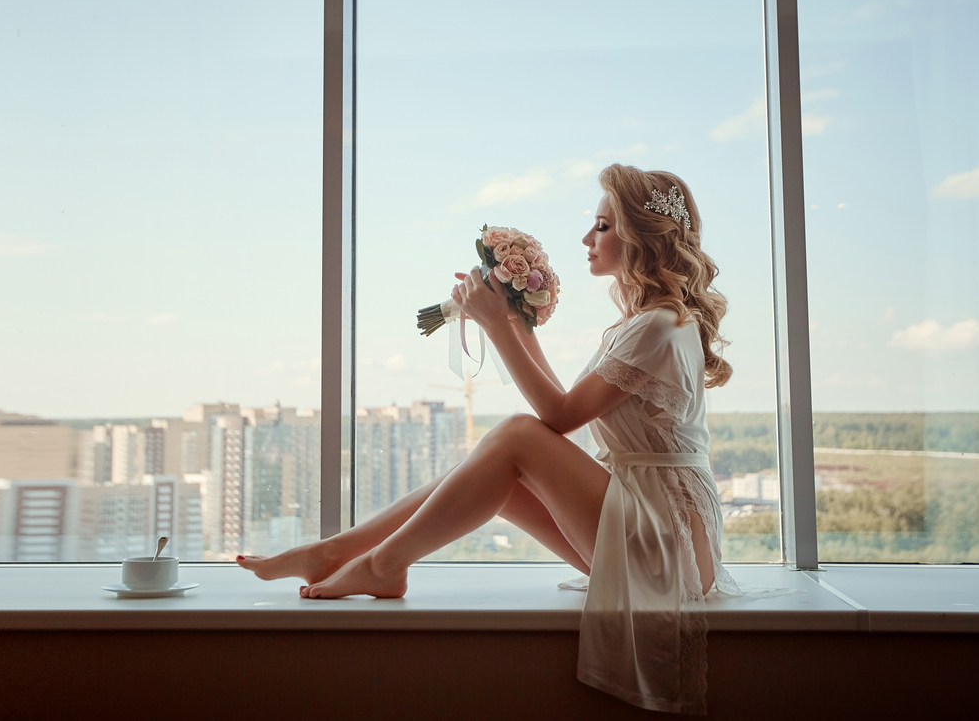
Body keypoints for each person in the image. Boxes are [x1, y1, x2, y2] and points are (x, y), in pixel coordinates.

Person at [237, 163, 741, 714]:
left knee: (515, 437)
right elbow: (561, 408)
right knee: (486, 476)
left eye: (601, 225)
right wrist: (515, 322)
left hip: (666, 542)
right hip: (659, 528)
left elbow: (555, 417)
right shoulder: (647, 322)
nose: (585, 238)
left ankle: (382, 565)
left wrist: (499, 324)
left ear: (642, 236)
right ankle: (336, 552)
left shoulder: (657, 326)